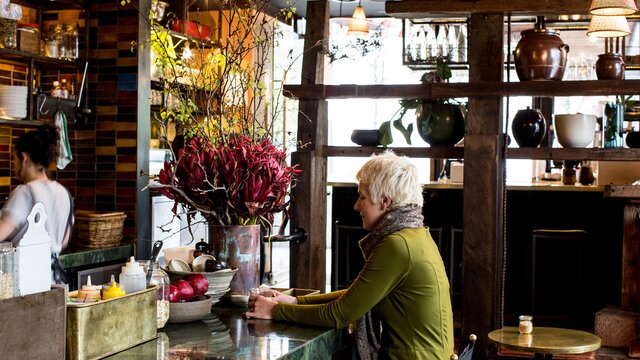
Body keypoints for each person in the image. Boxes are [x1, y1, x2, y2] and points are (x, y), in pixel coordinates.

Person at [245, 150, 454, 359]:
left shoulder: (397, 245)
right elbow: (356, 296)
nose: (356, 205)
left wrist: (273, 311)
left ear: (385, 201)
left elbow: (340, 314)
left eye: (362, 196)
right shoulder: (416, 235)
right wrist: (294, 302)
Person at [0, 125, 73, 284]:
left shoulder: (25, 192)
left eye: (14, 158)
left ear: (24, 158)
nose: (14, 164)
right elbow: (64, 240)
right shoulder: (63, 192)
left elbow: (1, 232)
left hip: (28, 283)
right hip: (54, 282)